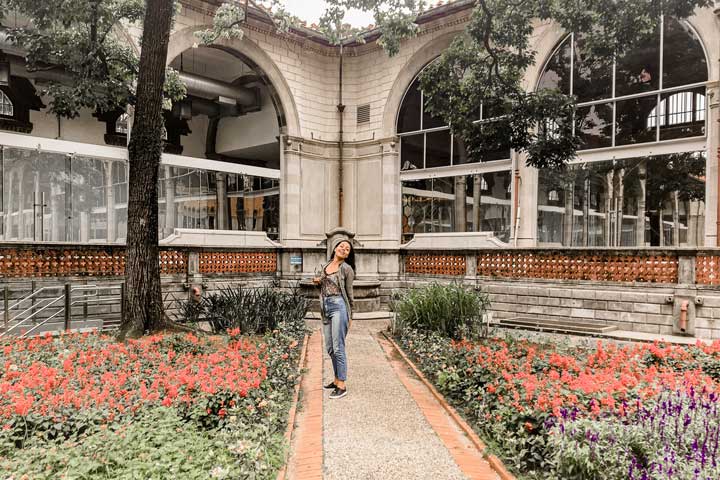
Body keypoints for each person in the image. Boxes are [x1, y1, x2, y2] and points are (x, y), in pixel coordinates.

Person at [313, 239, 355, 399]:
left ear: (348, 254)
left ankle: (342, 385)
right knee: (330, 348)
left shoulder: (347, 269)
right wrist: (317, 282)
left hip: (339, 307)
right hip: (326, 307)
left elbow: (350, 294)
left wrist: (351, 316)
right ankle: (336, 380)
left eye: (347, 249)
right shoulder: (325, 265)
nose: (344, 249)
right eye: (341, 246)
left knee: (338, 347)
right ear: (335, 248)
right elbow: (322, 287)